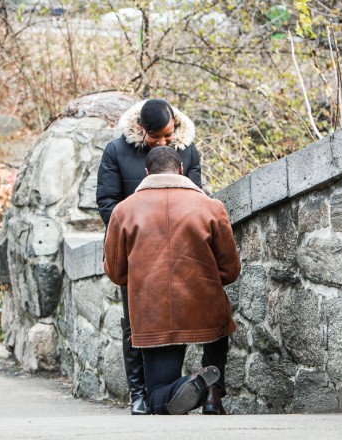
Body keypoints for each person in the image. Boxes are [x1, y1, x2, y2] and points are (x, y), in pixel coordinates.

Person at [103, 146, 241, 415]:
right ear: (180, 170)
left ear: (146, 173)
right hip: (204, 306)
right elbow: (230, 270)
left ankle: (191, 384)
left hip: (154, 316)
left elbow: (117, 274)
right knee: (217, 323)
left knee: (157, 397)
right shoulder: (212, 207)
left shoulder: (123, 211)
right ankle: (212, 394)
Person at [96, 98, 202, 415]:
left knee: (179, 320)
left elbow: (194, 198)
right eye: (156, 136)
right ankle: (140, 394)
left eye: (167, 135)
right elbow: (107, 203)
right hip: (134, 252)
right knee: (134, 324)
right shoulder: (116, 151)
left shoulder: (188, 151)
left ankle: (169, 393)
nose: (163, 142)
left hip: (178, 252)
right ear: (142, 129)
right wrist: (137, 233)